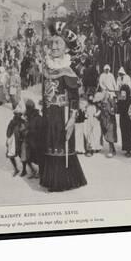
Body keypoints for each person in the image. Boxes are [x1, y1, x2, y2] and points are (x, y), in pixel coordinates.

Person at [40, 23, 87, 192]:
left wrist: (72, 119)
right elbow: (44, 94)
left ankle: (62, 182)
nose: (53, 47)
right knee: (50, 145)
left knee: (62, 146)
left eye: (58, 43)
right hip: (49, 115)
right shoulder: (46, 69)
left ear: (66, 48)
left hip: (63, 115)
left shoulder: (68, 71)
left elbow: (74, 98)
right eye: (52, 43)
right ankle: (50, 180)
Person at [6, 107, 30, 177]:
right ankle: (16, 168)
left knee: (22, 156)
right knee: (11, 155)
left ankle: (24, 170)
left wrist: (22, 134)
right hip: (13, 142)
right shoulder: (12, 122)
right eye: (16, 114)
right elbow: (8, 132)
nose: (18, 115)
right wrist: (8, 139)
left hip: (20, 141)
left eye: (19, 114)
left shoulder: (23, 122)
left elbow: (25, 132)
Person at [117, 84, 131, 157]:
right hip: (123, 119)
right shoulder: (120, 101)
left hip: (129, 120)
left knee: (130, 133)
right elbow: (118, 110)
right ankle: (128, 149)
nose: (123, 94)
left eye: (124, 92)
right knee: (124, 133)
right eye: (122, 92)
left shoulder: (130, 100)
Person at [99, 91, 117, 157]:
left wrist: (112, 110)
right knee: (106, 135)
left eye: (107, 95)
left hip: (111, 121)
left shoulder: (111, 102)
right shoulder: (101, 102)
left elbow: (114, 111)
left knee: (110, 135)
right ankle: (113, 149)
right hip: (104, 120)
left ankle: (110, 150)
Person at [83, 92, 102, 156]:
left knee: (95, 134)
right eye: (89, 97)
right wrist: (86, 115)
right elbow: (85, 112)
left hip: (95, 121)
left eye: (92, 97)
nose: (90, 99)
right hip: (88, 121)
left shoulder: (96, 105)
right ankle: (89, 149)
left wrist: (96, 114)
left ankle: (95, 147)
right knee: (88, 134)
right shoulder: (87, 105)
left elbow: (99, 111)